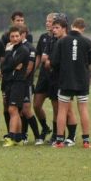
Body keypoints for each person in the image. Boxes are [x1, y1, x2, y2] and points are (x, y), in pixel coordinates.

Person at [51, 18, 91, 149]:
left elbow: (54, 62)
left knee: (62, 110)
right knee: (83, 109)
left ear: (71, 26)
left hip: (66, 80)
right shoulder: (88, 42)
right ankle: (86, 141)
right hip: (82, 80)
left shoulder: (62, 41)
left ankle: (59, 141)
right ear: (83, 28)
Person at [1, 26, 30, 147]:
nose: (15, 38)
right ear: (9, 37)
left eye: (17, 36)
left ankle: (11, 137)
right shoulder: (10, 49)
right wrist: (11, 64)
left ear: (21, 36)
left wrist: (8, 56)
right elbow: (4, 68)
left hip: (18, 83)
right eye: (12, 36)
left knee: (12, 109)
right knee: (15, 110)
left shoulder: (23, 50)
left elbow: (10, 64)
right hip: (9, 82)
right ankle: (18, 138)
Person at [33, 12, 56, 140]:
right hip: (43, 76)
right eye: (47, 20)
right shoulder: (43, 38)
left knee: (56, 106)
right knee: (36, 105)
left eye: (51, 21)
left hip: (55, 77)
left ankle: (56, 133)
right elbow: (38, 56)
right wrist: (32, 71)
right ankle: (45, 127)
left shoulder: (60, 39)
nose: (48, 23)